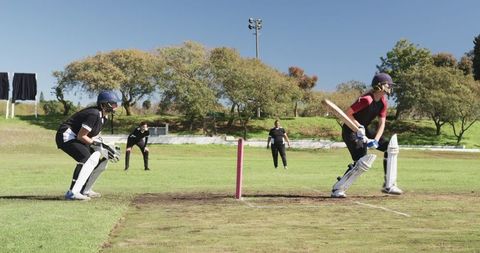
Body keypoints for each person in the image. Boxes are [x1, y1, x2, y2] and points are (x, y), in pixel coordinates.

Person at [331, 73, 403, 198]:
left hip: (365, 129)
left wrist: (375, 140)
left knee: (389, 147)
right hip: (350, 129)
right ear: (380, 85)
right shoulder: (366, 99)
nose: (390, 87)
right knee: (362, 161)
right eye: (388, 84)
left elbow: (382, 124)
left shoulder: (383, 102)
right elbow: (347, 114)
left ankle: (390, 185)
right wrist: (358, 128)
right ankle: (338, 188)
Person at [55, 91, 120, 201]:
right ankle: (72, 192)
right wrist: (97, 145)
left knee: (102, 159)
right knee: (86, 157)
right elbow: (81, 136)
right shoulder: (94, 114)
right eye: (113, 104)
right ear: (103, 104)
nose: (116, 107)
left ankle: (85, 190)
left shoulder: (104, 118)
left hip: (77, 137)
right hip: (66, 136)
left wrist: (104, 146)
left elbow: (93, 136)